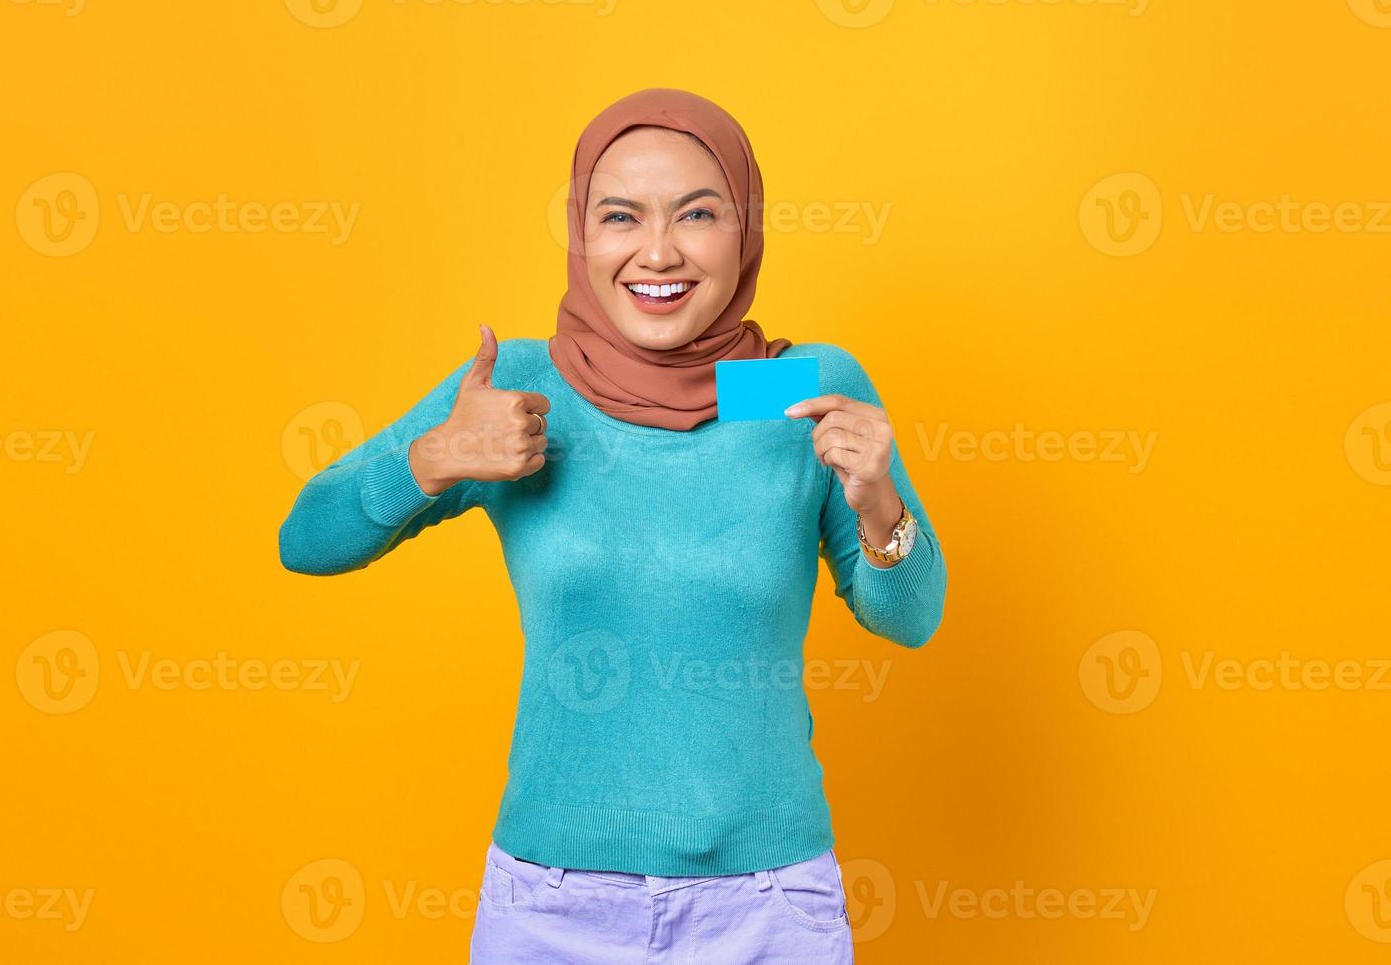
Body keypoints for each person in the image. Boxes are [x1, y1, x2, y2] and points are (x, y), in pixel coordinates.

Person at [278, 87, 947, 964]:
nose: (657, 251)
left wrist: (879, 504)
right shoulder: (522, 388)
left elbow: (911, 616)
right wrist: (431, 459)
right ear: (580, 233)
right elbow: (306, 541)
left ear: (743, 231)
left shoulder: (791, 389)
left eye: (698, 214)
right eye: (620, 216)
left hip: (765, 907)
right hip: (551, 908)